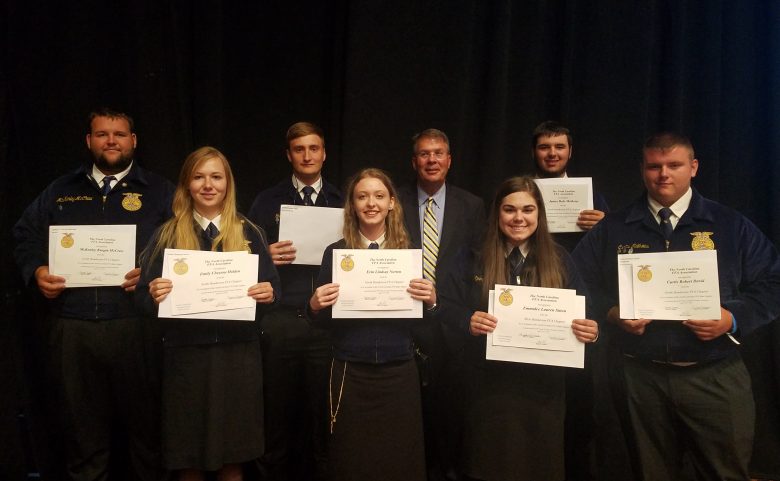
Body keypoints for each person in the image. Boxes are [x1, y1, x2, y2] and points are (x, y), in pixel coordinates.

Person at [572, 132, 780, 480]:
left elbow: (773, 282)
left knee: (726, 472)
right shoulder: (614, 227)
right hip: (640, 376)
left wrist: (732, 318)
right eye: (654, 166)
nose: (663, 174)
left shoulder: (729, 225)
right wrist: (611, 312)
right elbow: (576, 282)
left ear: (693, 168)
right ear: (642, 170)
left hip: (714, 373)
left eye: (674, 165)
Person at [13, 108, 173, 481]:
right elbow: (25, 235)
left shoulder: (161, 191)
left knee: (148, 437)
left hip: (136, 326)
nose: (111, 141)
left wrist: (152, 275)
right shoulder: (61, 190)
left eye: (119, 134)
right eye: (102, 134)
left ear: (134, 141)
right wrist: (37, 271)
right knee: (83, 436)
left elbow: (185, 247)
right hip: (75, 327)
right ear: (89, 141)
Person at [439, 176, 599, 481]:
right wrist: (467, 320)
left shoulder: (560, 259)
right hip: (487, 389)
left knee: (539, 467)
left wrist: (592, 330)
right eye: (509, 209)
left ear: (539, 213)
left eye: (527, 210)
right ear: (497, 213)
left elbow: (587, 313)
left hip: (544, 391)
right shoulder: (472, 257)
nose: (518, 218)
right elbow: (443, 306)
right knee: (487, 465)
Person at [136, 146, 280, 481]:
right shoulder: (166, 234)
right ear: (187, 184)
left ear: (227, 184)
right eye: (199, 177)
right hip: (186, 360)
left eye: (216, 177)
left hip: (237, 357)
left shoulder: (249, 232)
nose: (208, 185)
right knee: (189, 457)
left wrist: (268, 294)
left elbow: (274, 289)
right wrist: (154, 295)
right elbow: (142, 300)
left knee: (234, 456)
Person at [307, 168, 437, 481]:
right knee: (351, 462)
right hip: (351, 371)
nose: (371, 203)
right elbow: (323, 321)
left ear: (392, 202)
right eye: (362, 196)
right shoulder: (336, 253)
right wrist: (313, 306)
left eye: (379, 196)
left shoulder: (408, 253)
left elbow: (426, 322)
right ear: (352, 205)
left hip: (399, 369)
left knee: (399, 461)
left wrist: (432, 301)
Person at [247, 121, 343, 481]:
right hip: (280, 321)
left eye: (314, 148)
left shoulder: (343, 199)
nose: (307, 156)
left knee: (324, 419)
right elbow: (240, 260)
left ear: (324, 153)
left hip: (327, 324)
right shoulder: (266, 200)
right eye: (299, 149)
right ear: (289, 155)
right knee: (277, 416)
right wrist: (264, 255)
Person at [397, 128, 485, 481]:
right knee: (410, 414)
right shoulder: (395, 200)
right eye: (423, 154)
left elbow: (478, 264)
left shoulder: (472, 205)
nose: (431, 160)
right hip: (404, 322)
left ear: (449, 161)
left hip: (453, 326)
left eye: (438, 154)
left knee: (451, 414)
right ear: (413, 161)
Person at [531, 121, 609, 252]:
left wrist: (606, 225)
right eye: (544, 147)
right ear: (533, 152)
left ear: (570, 152)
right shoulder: (516, 194)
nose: (552, 153)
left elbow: (611, 242)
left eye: (560, 147)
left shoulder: (592, 197)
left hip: (577, 269)